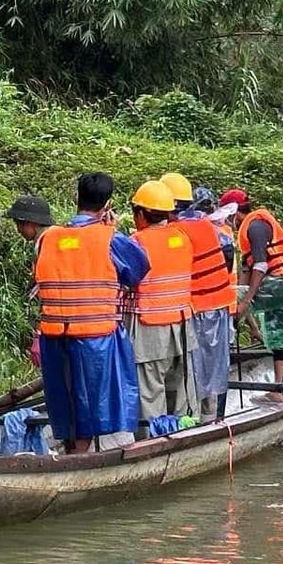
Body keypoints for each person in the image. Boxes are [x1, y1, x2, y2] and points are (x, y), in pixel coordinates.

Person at [33, 173, 148, 453]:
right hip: (96, 338)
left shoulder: (48, 238)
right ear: (107, 205)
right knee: (94, 404)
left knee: (65, 402)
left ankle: (73, 451)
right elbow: (137, 270)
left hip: (54, 337)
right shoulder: (111, 239)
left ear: (76, 199)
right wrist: (109, 229)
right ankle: (88, 456)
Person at [163, 173, 236, 421]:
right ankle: (214, 419)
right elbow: (227, 256)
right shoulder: (208, 225)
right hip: (220, 306)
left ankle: (192, 422)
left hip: (196, 309)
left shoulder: (176, 232)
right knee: (214, 368)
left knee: (191, 370)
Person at [224, 188, 283, 399]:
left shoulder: (255, 226)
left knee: (226, 297)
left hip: (280, 283)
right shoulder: (254, 226)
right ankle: (278, 390)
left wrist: (245, 302)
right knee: (275, 332)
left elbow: (260, 266)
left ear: (234, 213)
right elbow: (245, 277)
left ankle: (223, 350)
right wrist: (247, 319)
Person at [126, 180, 196, 429]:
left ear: (142, 213)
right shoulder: (182, 237)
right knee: (179, 392)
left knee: (149, 394)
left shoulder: (137, 242)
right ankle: (183, 436)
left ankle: (152, 444)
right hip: (181, 327)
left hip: (149, 329)